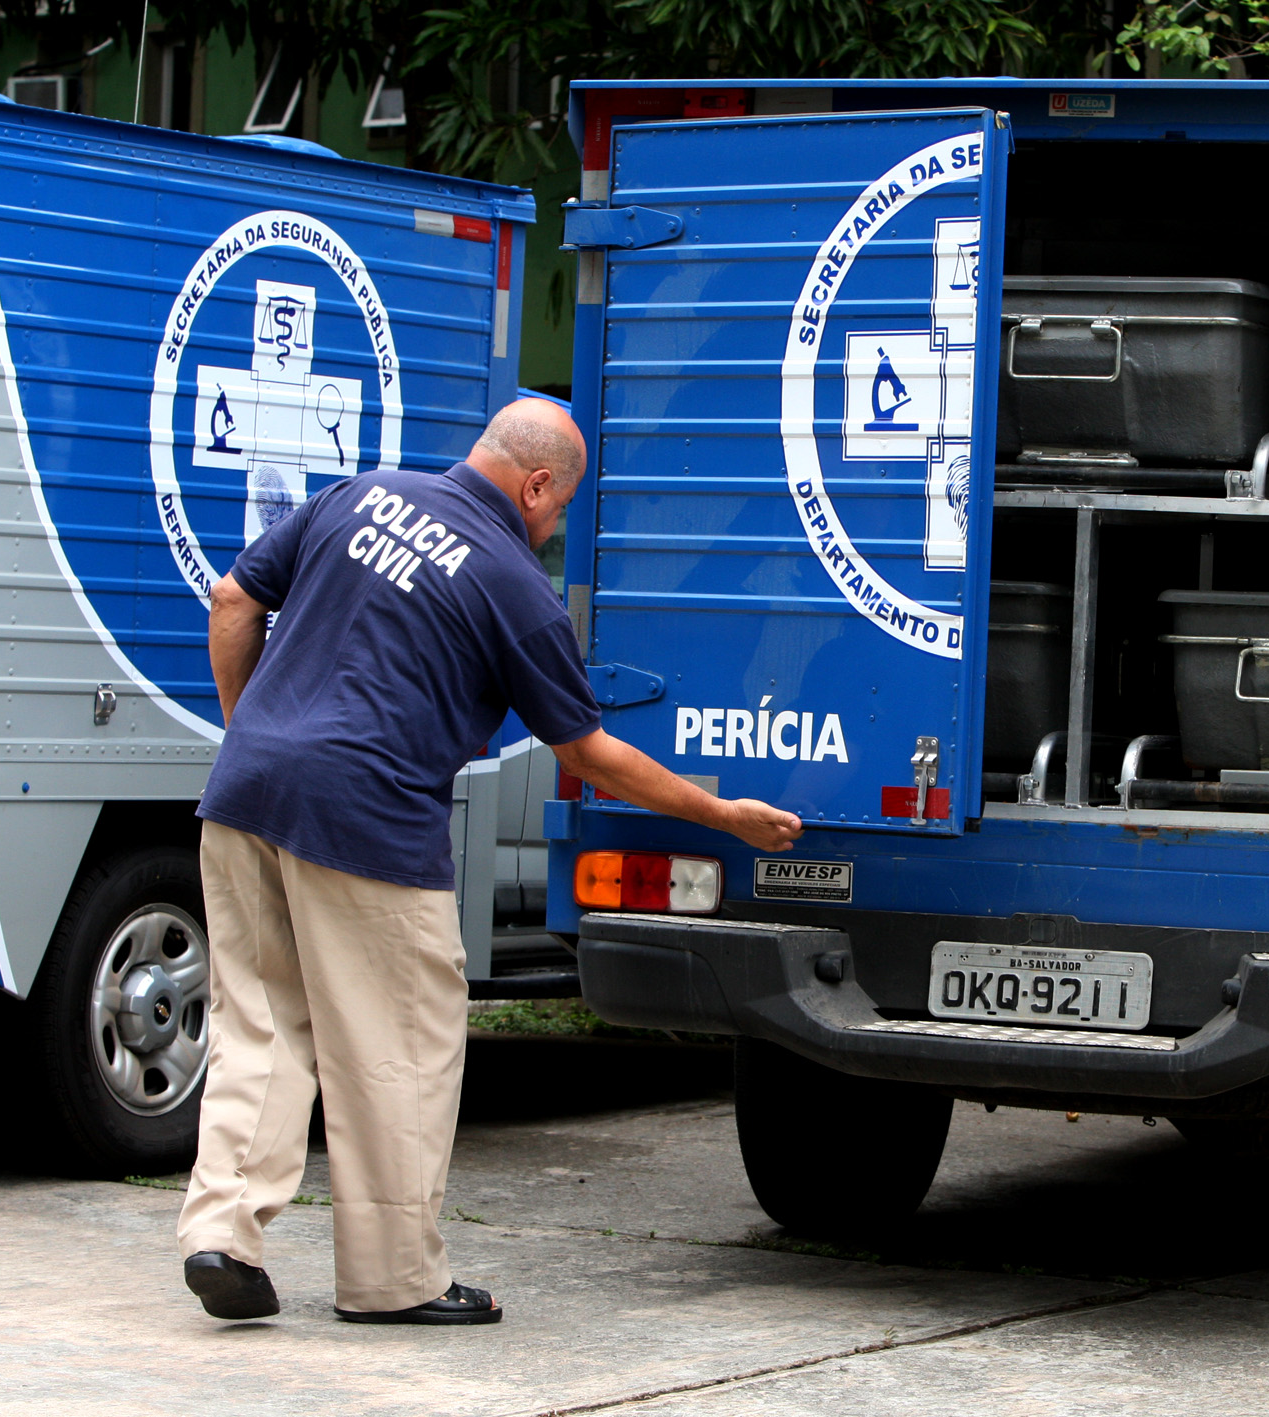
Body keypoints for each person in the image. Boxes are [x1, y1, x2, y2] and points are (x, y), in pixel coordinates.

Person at [175, 399, 802, 1326]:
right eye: (558, 508)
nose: (552, 527)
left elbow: (235, 599)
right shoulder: (514, 582)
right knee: (401, 1048)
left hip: (245, 798)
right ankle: (393, 1280)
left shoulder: (359, 492)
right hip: (370, 822)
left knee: (261, 1023)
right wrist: (717, 811)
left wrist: (256, 737)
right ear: (536, 484)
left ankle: (219, 1234)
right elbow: (586, 753)